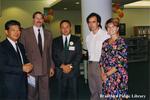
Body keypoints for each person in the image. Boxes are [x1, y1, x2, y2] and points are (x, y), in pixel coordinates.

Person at [20, 11, 55, 100]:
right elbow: (22, 51)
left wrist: (51, 66)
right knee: (32, 93)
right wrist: (24, 68)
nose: (39, 20)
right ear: (33, 20)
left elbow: (50, 51)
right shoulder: (25, 32)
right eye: (37, 18)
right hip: (31, 69)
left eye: (41, 18)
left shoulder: (49, 33)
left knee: (45, 92)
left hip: (45, 68)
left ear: (43, 20)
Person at [0, 20, 33, 100]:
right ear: (6, 32)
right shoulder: (2, 46)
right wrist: (21, 68)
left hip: (23, 83)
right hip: (9, 86)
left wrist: (29, 64)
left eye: (18, 30)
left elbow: (23, 60)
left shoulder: (20, 45)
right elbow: (2, 67)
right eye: (13, 30)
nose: (17, 32)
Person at [52, 20, 82, 100]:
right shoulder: (55, 41)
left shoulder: (77, 39)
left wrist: (70, 66)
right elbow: (54, 55)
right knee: (62, 94)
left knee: (74, 94)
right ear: (60, 29)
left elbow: (79, 55)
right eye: (63, 27)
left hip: (73, 71)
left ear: (70, 28)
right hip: (60, 71)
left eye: (67, 27)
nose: (65, 29)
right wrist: (62, 66)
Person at [99, 18, 128, 99]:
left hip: (117, 75)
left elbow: (120, 63)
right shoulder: (105, 42)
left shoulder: (121, 42)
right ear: (107, 29)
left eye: (113, 26)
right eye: (108, 27)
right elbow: (101, 59)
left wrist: (106, 75)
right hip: (106, 75)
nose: (111, 28)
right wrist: (102, 74)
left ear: (117, 28)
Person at [86, 12, 110, 100]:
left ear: (98, 23)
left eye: (93, 22)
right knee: (93, 89)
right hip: (90, 64)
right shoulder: (88, 37)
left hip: (101, 65)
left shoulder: (106, 35)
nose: (91, 24)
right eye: (89, 22)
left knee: (102, 90)